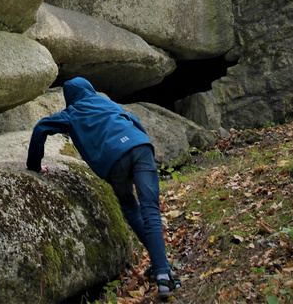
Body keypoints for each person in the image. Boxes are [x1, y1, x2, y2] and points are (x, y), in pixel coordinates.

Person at [26, 77, 181, 299]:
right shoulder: (106, 103)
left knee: (130, 207)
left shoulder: (71, 113)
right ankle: (163, 271)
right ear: (90, 89)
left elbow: (41, 127)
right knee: (150, 210)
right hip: (140, 148)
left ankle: (161, 268)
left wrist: (34, 165)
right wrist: (139, 143)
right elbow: (134, 121)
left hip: (114, 161)